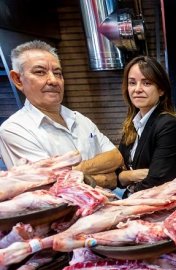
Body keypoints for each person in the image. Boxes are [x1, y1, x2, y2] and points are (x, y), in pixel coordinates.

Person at [0, 40, 123, 188]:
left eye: (57, 73)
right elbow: (49, 186)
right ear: (18, 79)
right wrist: (104, 179)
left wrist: (70, 174)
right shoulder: (14, 130)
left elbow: (116, 157)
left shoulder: (79, 119)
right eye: (40, 72)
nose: (53, 80)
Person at [117, 56, 176, 196]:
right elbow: (117, 175)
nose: (137, 89)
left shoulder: (169, 125)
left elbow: (157, 180)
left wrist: (126, 178)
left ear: (161, 90)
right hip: (134, 201)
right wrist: (128, 176)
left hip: (156, 206)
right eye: (132, 83)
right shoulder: (132, 125)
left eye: (146, 83)